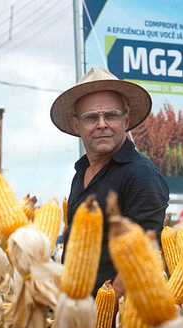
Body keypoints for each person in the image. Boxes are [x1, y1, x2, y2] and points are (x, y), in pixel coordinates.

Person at [50, 66, 169, 298]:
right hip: (78, 315)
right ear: (77, 126)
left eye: (111, 115)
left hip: (116, 326)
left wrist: (103, 316)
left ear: (127, 120)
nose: (102, 124)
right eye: (91, 117)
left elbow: (141, 255)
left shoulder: (141, 175)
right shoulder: (80, 172)